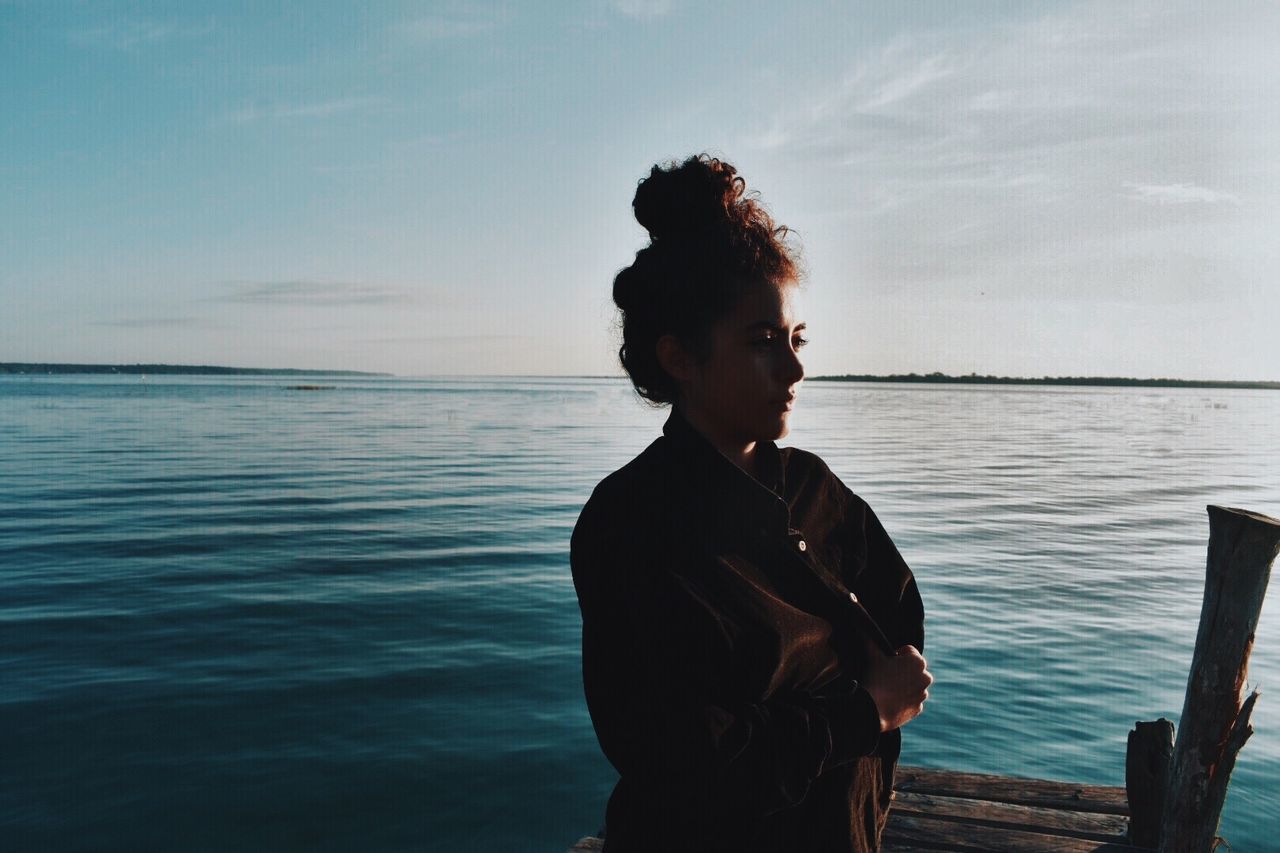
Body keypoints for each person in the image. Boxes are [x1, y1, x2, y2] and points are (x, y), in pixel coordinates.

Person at [570, 154, 931, 852]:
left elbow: (899, 623)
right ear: (680, 357)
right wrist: (860, 712)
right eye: (764, 341)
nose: (796, 367)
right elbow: (684, 764)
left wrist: (871, 702)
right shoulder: (629, 525)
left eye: (797, 339)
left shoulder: (815, 490)